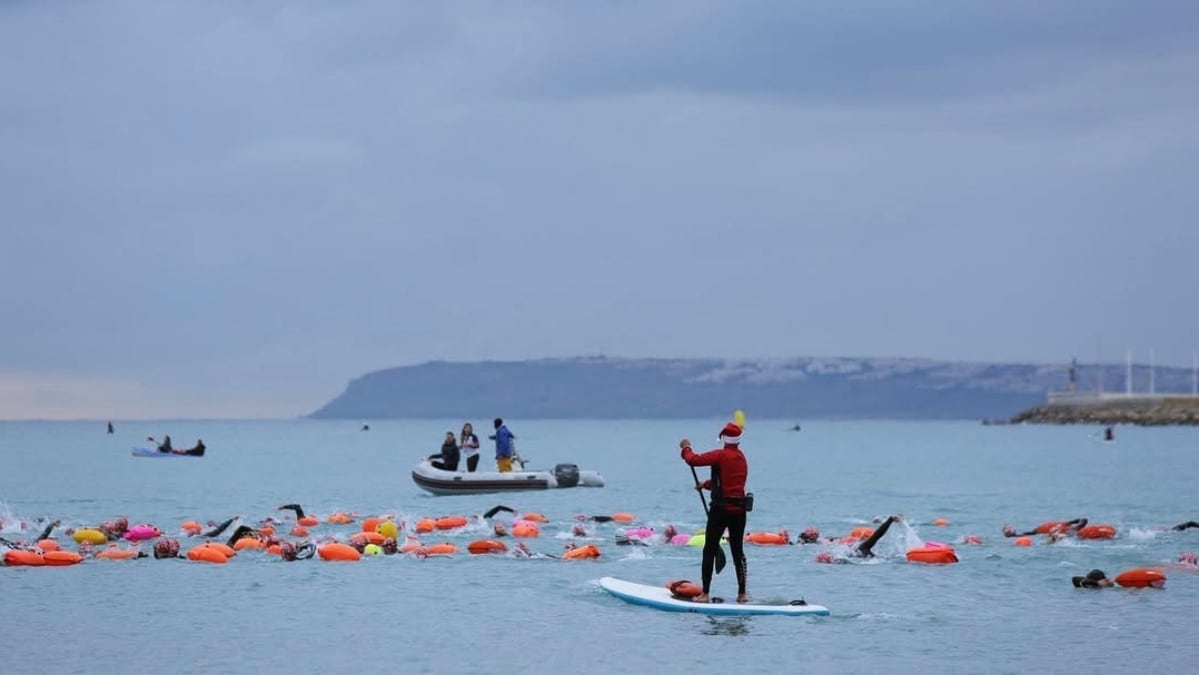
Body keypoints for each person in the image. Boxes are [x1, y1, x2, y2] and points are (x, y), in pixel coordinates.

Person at [680, 422, 751, 604]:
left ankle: (705, 594)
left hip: (720, 510)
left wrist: (686, 447)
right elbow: (730, 484)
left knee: (709, 550)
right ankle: (742, 595)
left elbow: (693, 460)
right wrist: (705, 485)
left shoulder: (720, 455)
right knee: (738, 552)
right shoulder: (742, 458)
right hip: (739, 511)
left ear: (724, 439)